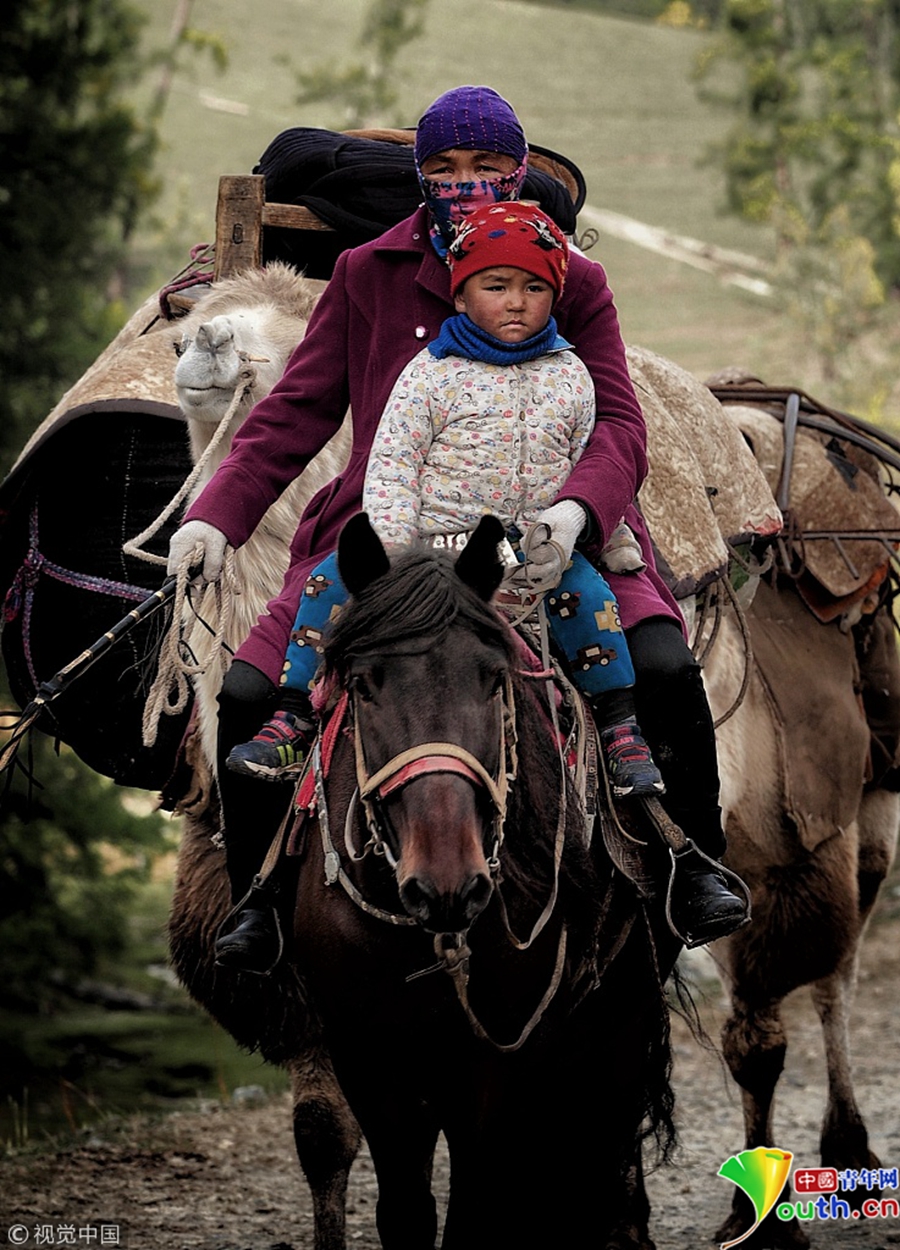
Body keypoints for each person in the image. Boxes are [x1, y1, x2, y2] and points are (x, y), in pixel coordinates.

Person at [167, 85, 747, 970]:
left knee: (665, 668)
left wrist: (576, 509)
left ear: (519, 170)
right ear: (419, 175)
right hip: (387, 528)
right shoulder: (367, 272)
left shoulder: (574, 279)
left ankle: (691, 867)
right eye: (442, 167)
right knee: (248, 696)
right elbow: (295, 413)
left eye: (486, 165)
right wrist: (217, 516)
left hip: (550, 526)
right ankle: (264, 904)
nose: (465, 181)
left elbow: (620, 423)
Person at [225, 202, 665, 800]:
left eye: (535, 288)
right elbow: (394, 462)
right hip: (429, 542)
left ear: (555, 297)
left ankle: (620, 729)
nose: (516, 302)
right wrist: (391, 549)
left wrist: (586, 529)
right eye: (496, 286)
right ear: (460, 297)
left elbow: (585, 454)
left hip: (522, 545)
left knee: (592, 604)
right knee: (327, 589)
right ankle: (293, 714)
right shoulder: (429, 375)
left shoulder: (571, 375)